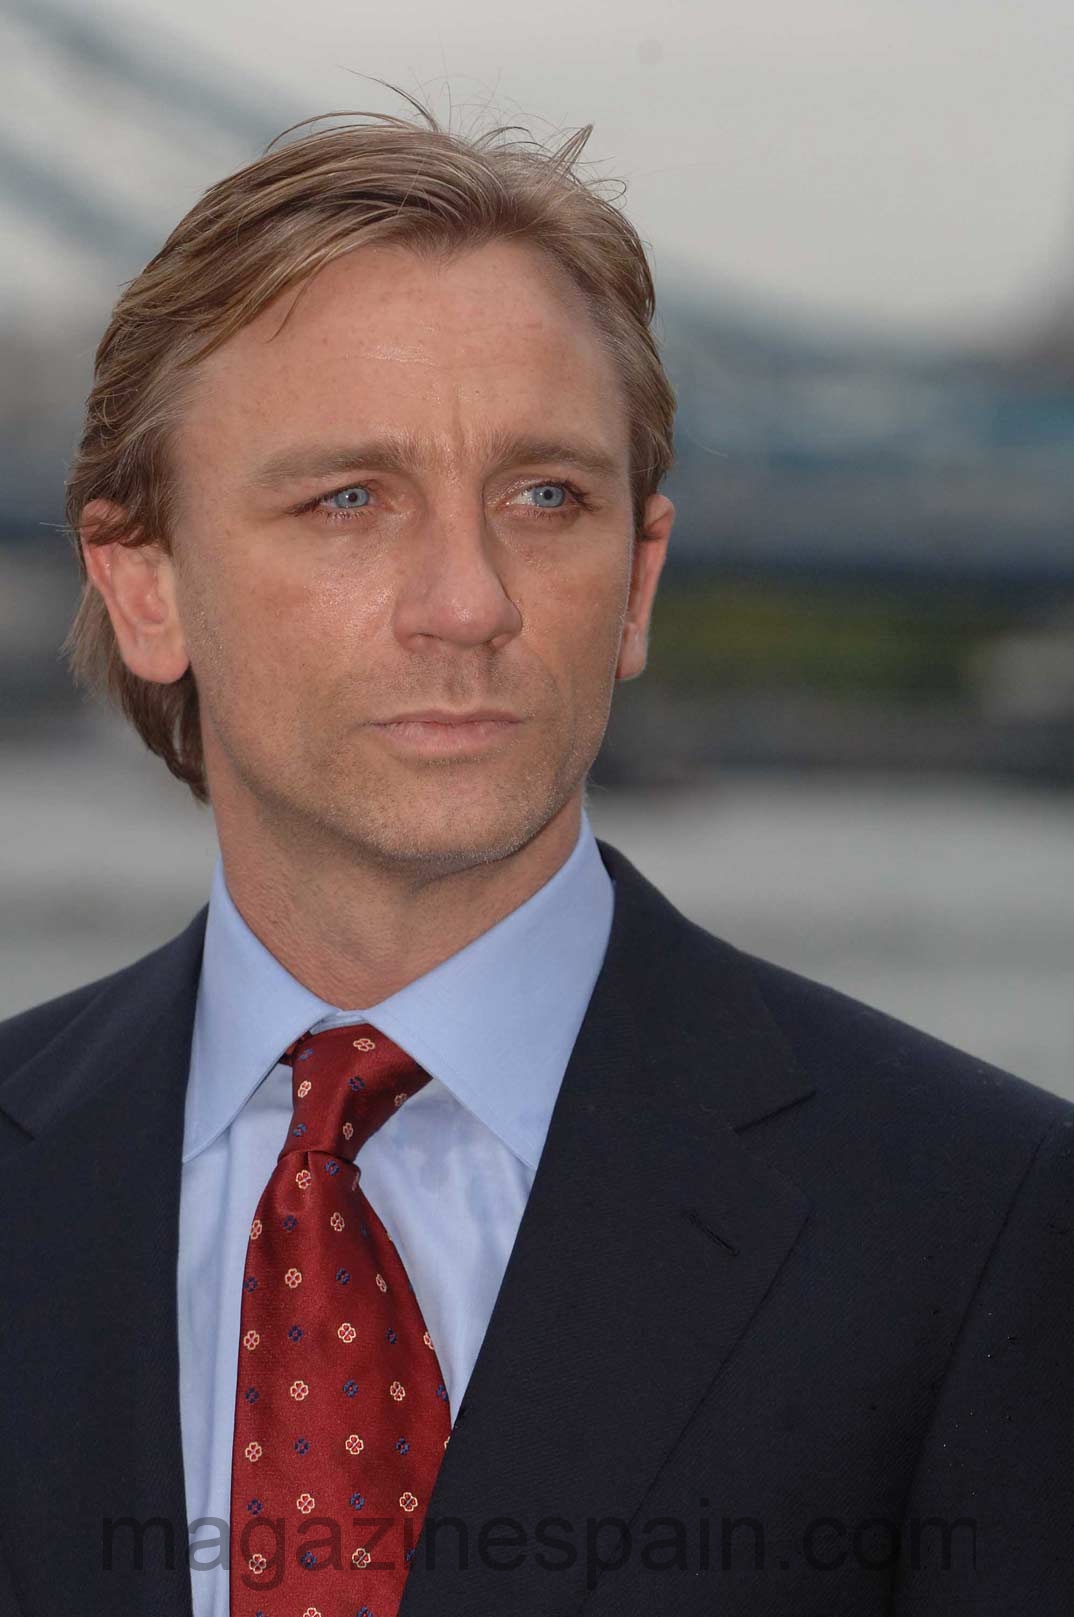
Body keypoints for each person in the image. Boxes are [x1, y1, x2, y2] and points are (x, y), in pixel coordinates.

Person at [0, 90, 1070, 1617]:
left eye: (545, 496)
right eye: (349, 499)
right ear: (142, 584)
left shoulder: (984, 1221)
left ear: (635, 582)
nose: (467, 600)